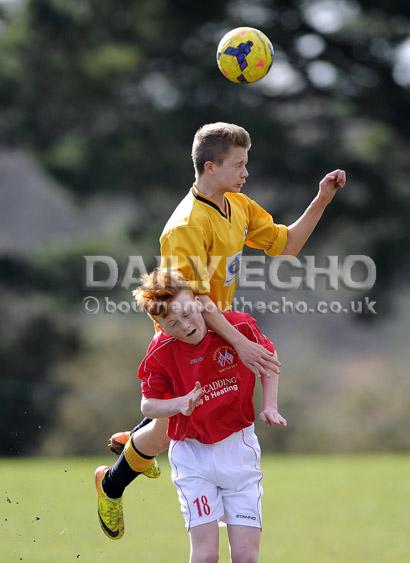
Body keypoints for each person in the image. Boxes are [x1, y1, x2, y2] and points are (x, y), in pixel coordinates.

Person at [95, 122, 346, 539]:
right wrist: (241, 343)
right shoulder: (186, 226)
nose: (246, 173)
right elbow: (191, 305)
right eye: (239, 165)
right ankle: (112, 482)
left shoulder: (239, 205)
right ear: (210, 167)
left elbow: (288, 245)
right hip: (186, 330)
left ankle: (135, 443)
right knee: (182, 424)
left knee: (181, 421)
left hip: (219, 327)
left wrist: (322, 199)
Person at [97, 268, 286, 561]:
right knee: (206, 555)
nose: (185, 325)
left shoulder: (237, 329)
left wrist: (270, 406)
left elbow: (269, 361)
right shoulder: (160, 353)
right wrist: (180, 404)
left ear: (200, 302)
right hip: (192, 457)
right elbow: (148, 406)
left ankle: (129, 449)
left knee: (246, 557)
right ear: (160, 326)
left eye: (187, 313)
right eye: (172, 323)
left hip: (239, 450)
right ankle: (120, 470)